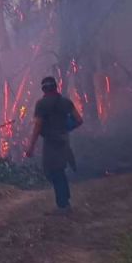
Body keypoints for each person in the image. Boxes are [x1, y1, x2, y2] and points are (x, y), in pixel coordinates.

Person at [24, 76, 83, 213]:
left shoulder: (42, 104)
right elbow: (79, 120)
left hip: (51, 142)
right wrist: (66, 128)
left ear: (43, 89)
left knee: (52, 172)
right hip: (64, 140)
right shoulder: (66, 102)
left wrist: (31, 147)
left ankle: (63, 205)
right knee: (59, 171)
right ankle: (65, 201)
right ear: (56, 87)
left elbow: (38, 126)